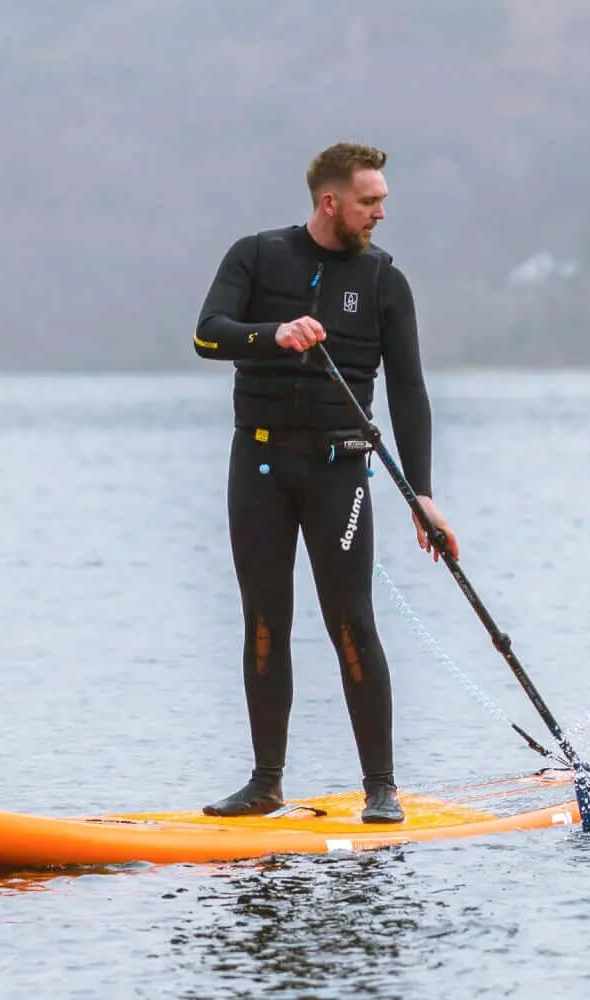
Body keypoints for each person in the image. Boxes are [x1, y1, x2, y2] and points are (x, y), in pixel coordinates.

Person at [193, 142, 458, 824]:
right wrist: (274, 334)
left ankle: (381, 789)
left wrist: (421, 493)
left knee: (351, 624)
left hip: (340, 471)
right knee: (263, 623)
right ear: (329, 201)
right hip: (258, 467)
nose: (380, 213)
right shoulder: (256, 255)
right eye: (370, 202)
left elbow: (408, 388)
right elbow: (207, 335)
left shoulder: (383, 281)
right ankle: (264, 785)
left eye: (384, 202)